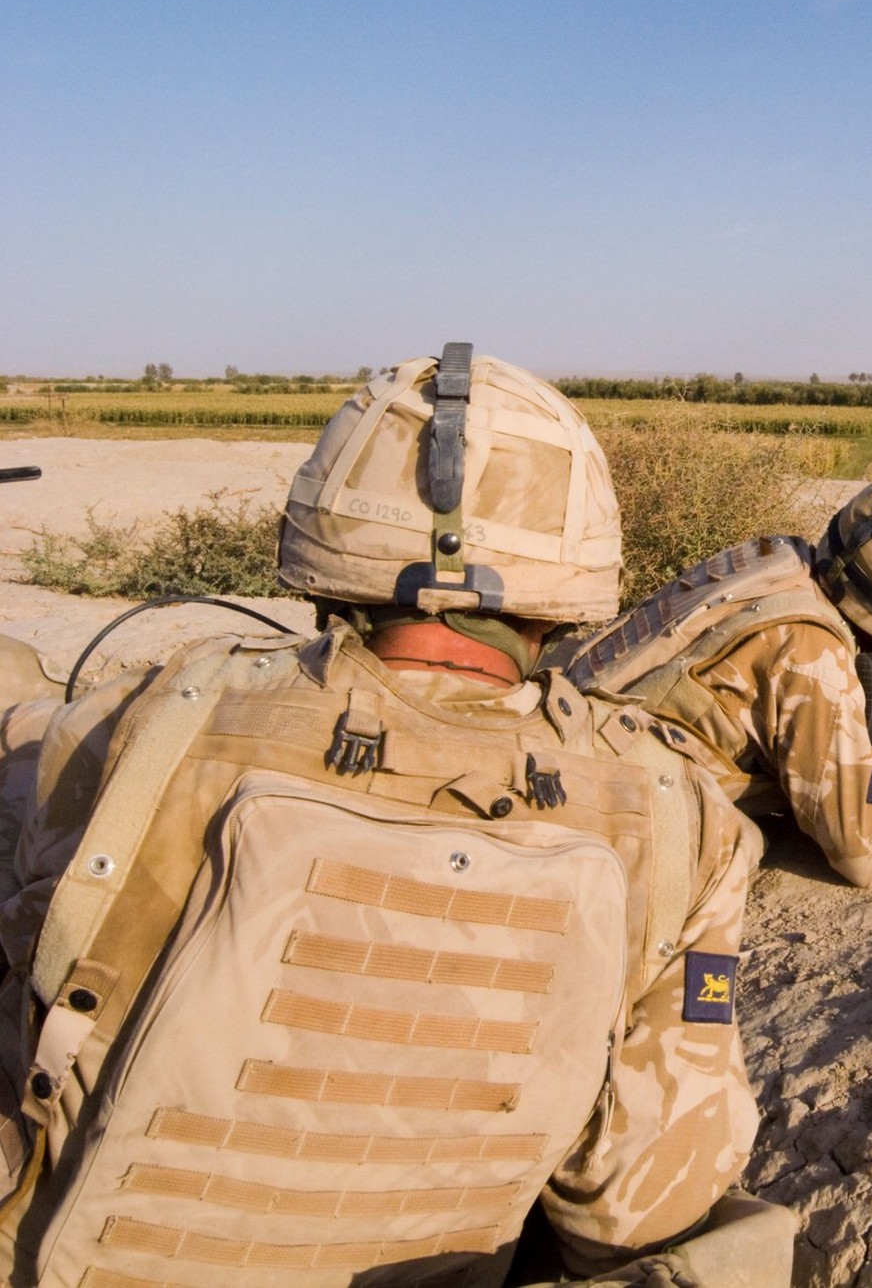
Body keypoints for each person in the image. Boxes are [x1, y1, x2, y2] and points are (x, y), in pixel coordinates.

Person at [0, 347, 791, 1287]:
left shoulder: (126, 729)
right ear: (572, 574)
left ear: (328, 538)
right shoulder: (677, 821)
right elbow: (640, 1202)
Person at [561, 469, 872, 889]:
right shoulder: (810, 651)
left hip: (570, 744)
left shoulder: (777, 558)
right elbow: (868, 854)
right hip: (600, 833)